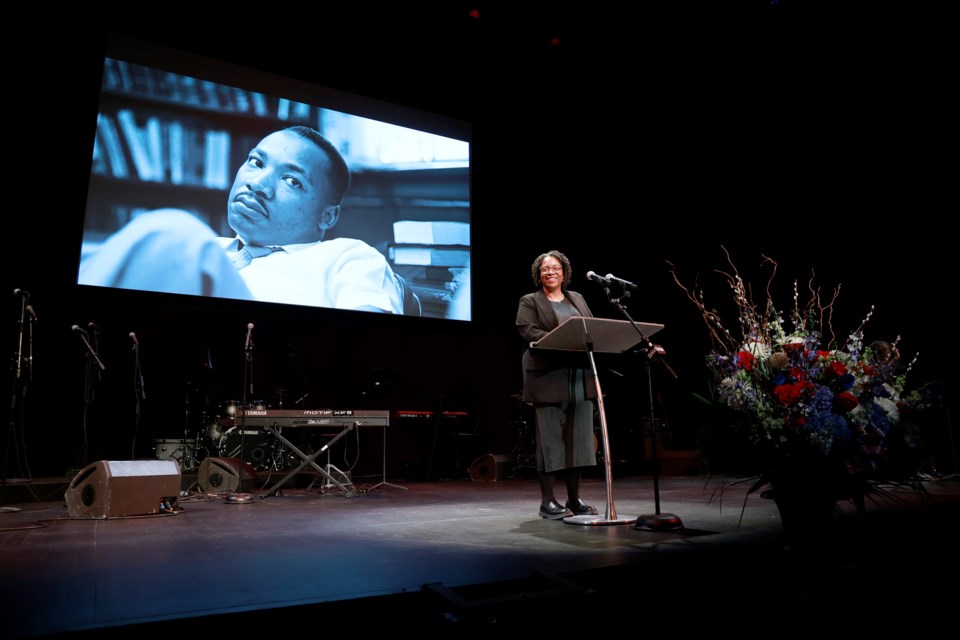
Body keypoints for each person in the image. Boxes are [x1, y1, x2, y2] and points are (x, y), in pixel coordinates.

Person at [79, 125, 403, 314]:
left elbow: (367, 342)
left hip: (260, 380)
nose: (258, 184)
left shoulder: (346, 257)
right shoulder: (209, 253)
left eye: (292, 181)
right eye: (256, 162)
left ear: (327, 216)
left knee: (174, 232)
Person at [516, 250, 599, 519]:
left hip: (579, 376)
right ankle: (547, 502)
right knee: (551, 443)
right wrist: (563, 340)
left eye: (555, 268)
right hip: (548, 377)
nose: (550, 272)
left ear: (564, 272)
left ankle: (574, 500)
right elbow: (528, 330)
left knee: (580, 441)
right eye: (544, 269)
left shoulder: (578, 298)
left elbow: (591, 328)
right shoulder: (530, 301)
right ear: (538, 275)